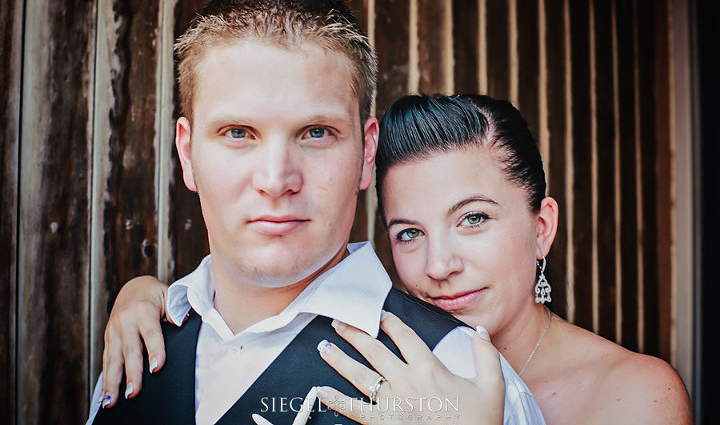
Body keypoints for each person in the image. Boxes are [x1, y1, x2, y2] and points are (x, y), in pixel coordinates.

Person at [87, 0, 543, 425]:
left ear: (367, 155)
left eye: (316, 133)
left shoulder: (461, 374)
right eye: (238, 133)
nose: (275, 180)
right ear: (187, 155)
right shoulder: (135, 351)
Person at [104, 94, 693, 424]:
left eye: (473, 219)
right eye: (409, 233)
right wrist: (152, 295)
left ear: (542, 229)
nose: (439, 265)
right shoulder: (370, 364)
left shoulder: (636, 394)